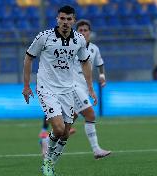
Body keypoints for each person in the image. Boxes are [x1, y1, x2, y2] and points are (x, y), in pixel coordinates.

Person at [22, 5, 96, 176]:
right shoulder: (44, 37)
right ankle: (47, 159)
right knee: (59, 128)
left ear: (73, 20)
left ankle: (49, 164)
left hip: (67, 89)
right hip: (46, 88)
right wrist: (26, 85)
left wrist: (90, 87)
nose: (65, 22)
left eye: (69, 19)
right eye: (62, 19)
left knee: (66, 132)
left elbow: (85, 62)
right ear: (57, 19)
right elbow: (29, 57)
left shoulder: (78, 39)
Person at [38, 19, 111, 159]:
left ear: (90, 32)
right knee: (90, 115)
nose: (83, 32)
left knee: (66, 126)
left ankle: (46, 141)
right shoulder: (71, 46)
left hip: (83, 88)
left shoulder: (94, 49)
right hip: (72, 86)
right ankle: (96, 150)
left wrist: (101, 76)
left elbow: (99, 63)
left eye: (86, 30)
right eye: (80, 30)